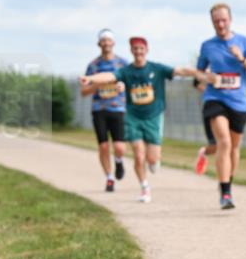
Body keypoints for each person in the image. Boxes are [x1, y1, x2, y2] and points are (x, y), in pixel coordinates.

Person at [81, 37, 209, 203]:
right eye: (135, 49)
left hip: (154, 117)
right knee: (139, 155)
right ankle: (144, 186)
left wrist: (201, 74)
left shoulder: (157, 68)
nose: (138, 52)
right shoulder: (126, 71)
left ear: (146, 50)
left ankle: (153, 164)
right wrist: (91, 79)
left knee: (152, 160)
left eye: (141, 49)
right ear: (131, 51)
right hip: (133, 117)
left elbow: (180, 71)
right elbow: (109, 76)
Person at [196, 3, 246, 209]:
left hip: (239, 103)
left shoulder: (244, 42)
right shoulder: (207, 46)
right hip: (215, 99)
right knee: (223, 143)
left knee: (233, 148)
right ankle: (225, 194)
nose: (220, 24)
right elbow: (197, 79)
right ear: (212, 22)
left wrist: (241, 58)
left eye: (223, 20)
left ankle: (228, 186)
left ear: (230, 20)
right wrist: (205, 79)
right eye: (216, 21)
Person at [81, 29, 128, 192]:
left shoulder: (122, 63)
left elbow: (130, 83)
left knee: (120, 147)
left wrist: (123, 86)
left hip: (118, 109)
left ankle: (119, 161)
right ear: (99, 43)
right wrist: (98, 83)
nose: (106, 43)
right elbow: (84, 91)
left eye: (109, 40)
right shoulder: (93, 66)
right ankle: (109, 178)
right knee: (103, 146)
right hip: (99, 109)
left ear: (113, 43)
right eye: (103, 40)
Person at [192, 77, 217, 175]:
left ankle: (225, 182)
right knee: (216, 146)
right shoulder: (209, 66)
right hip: (212, 110)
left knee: (229, 146)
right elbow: (196, 82)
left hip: (232, 107)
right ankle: (204, 153)